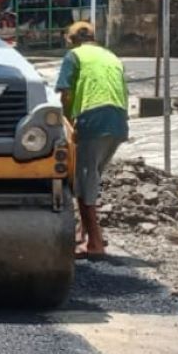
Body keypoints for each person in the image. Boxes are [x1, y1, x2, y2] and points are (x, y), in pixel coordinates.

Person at [55, 20, 129, 260]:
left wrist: (65, 123)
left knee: (84, 182)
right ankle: (83, 233)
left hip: (94, 117)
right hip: (118, 121)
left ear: (70, 39)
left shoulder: (74, 56)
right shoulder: (111, 56)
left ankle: (95, 244)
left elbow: (65, 93)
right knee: (92, 176)